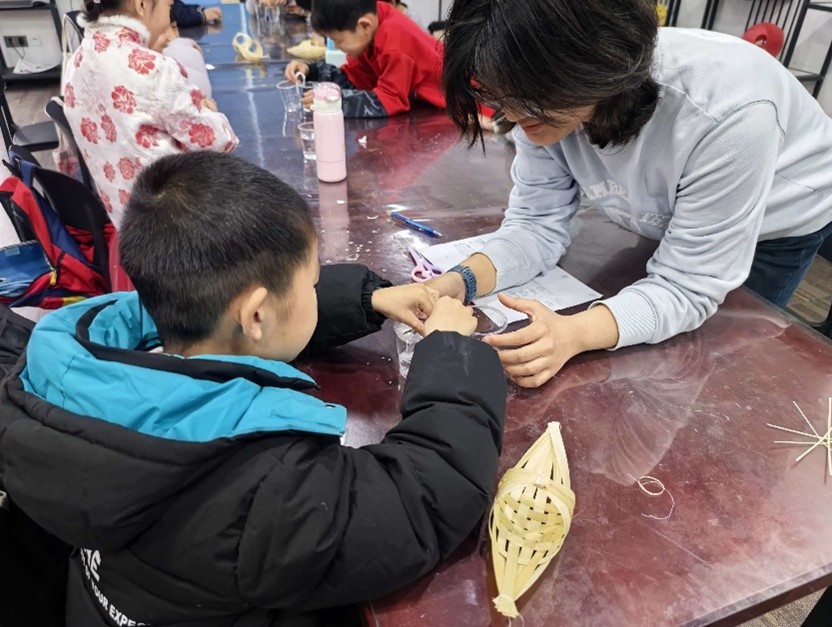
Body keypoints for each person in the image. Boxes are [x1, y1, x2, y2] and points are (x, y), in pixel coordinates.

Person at [0, 152, 506, 626]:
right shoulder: (258, 485)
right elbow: (423, 499)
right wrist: (451, 353)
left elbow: (226, 323)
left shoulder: (78, 365)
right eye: (311, 285)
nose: (314, 291)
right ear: (257, 314)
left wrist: (367, 299)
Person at [427, 0, 832, 388]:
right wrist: (457, 282)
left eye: (525, 99)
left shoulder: (727, 112)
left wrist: (574, 333)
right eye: (497, 95)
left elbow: (688, 286)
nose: (512, 115)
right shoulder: (541, 97)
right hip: (676, 203)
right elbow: (535, 225)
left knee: (727, 361)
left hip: (780, 215)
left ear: (589, 67)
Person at [66, 0, 238, 227]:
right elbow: (220, 142)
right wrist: (210, 113)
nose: (169, 18)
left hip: (126, 224)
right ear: (141, 5)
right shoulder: (153, 69)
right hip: (177, 224)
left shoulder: (77, 62)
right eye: (168, 7)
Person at [283, 0, 451, 118]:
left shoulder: (395, 43)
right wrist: (311, 70)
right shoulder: (370, 25)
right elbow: (354, 79)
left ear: (364, 26)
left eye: (338, 40)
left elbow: (389, 101)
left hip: (454, 109)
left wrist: (337, 102)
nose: (337, 47)